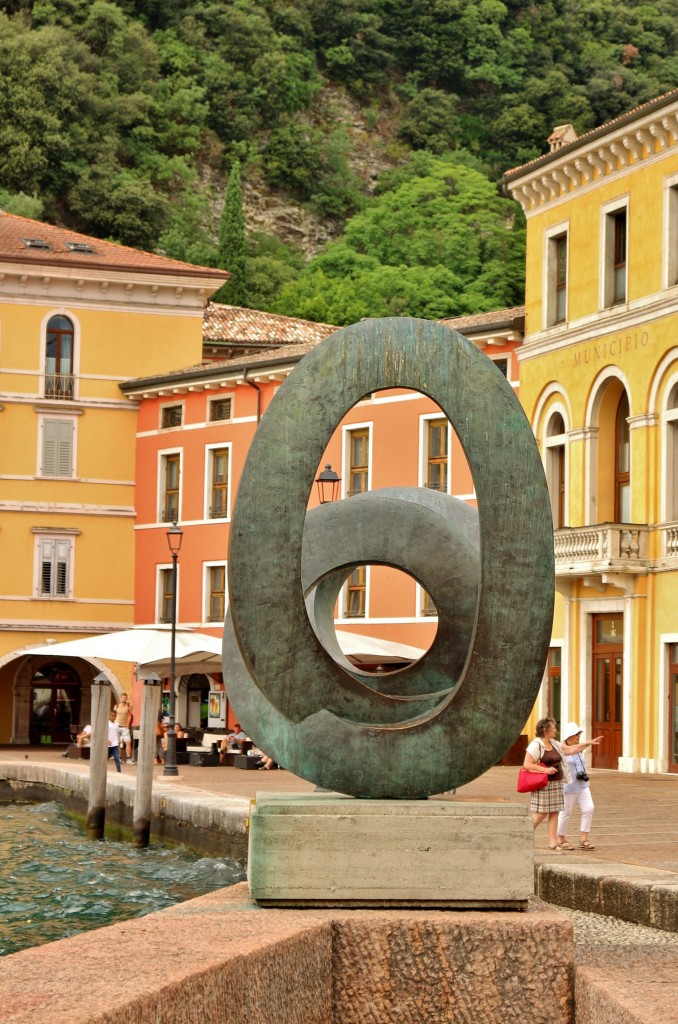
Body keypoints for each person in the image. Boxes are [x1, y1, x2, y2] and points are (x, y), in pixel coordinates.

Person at [523, 717, 602, 852]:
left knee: (554, 813)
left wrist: (588, 743)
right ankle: (522, 835)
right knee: (541, 814)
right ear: (545, 730)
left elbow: (571, 750)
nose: (556, 730)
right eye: (553, 728)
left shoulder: (554, 743)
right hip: (543, 783)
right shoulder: (536, 745)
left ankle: (554, 843)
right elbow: (527, 764)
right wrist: (545, 770)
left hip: (556, 783)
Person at [556, 722, 597, 851]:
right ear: (569, 735)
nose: (579, 736)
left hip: (582, 785)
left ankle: (584, 839)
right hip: (568, 786)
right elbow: (568, 754)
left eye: (579, 734)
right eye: (576, 734)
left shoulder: (578, 748)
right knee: (565, 813)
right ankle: (560, 839)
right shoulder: (561, 747)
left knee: (589, 808)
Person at [114, 693, 134, 763]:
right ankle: (119, 758)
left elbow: (130, 716)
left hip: (125, 726)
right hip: (117, 725)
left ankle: (128, 758)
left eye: (125, 698)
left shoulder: (129, 706)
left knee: (128, 742)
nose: (124, 699)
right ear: (121, 698)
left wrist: (128, 726)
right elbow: (114, 715)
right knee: (117, 742)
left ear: (126, 698)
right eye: (123, 697)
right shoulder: (116, 706)